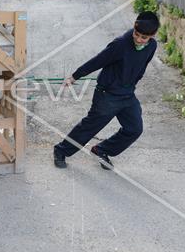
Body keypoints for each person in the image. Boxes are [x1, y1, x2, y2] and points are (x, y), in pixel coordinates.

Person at [53, 11, 160, 170]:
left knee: (134, 129)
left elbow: (142, 66)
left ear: (153, 35)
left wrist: (132, 83)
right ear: (133, 28)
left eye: (144, 37)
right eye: (136, 34)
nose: (138, 39)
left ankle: (101, 150)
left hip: (127, 94)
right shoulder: (121, 44)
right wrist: (75, 76)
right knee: (90, 127)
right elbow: (97, 61)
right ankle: (61, 151)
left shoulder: (151, 45)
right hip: (107, 95)